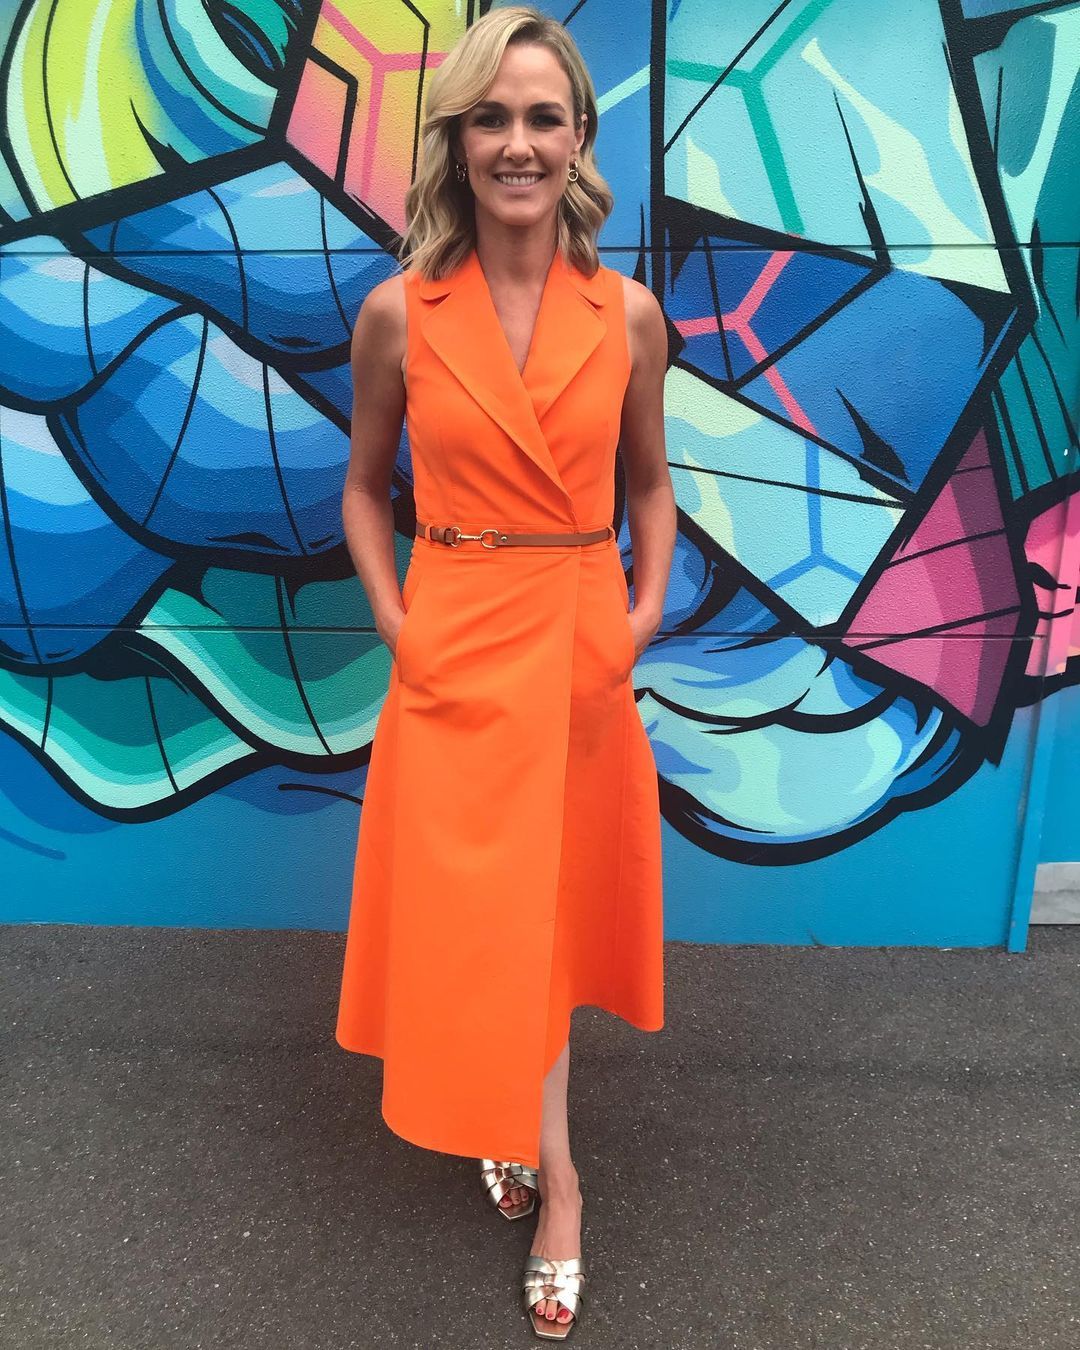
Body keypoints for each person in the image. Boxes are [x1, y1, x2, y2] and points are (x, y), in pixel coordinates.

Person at [336, 6, 675, 1339]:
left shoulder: (628, 314)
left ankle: (560, 1180)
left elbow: (651, 489)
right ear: (457, 141)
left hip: (578, 645)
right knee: (477, 920)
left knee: (551, 920)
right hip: (455, 647)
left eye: (542, 116)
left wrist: (639, 616)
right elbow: (364, 490)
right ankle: (520, 1132)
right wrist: (397, 623)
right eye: (491, 117)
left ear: (579, 135)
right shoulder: (399, 314)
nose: (518, 143)